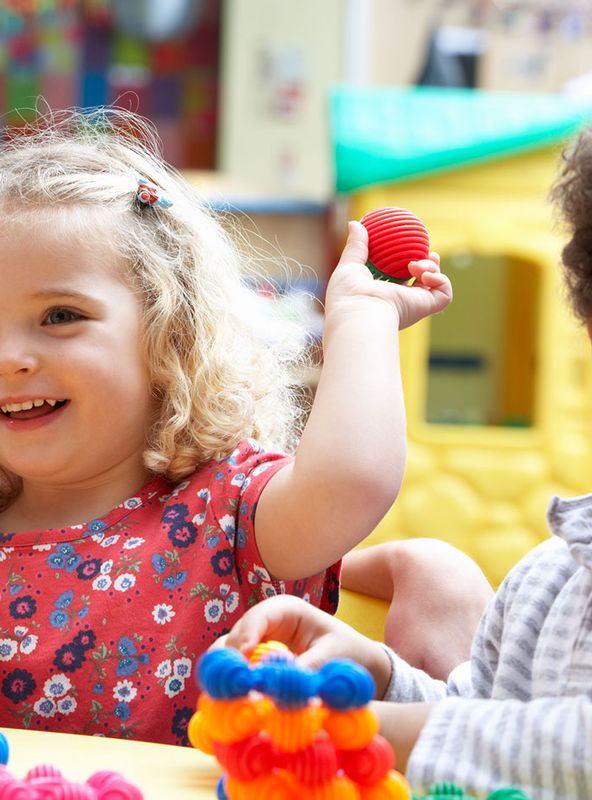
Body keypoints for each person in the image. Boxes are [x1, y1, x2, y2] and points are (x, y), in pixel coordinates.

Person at [0, 111, 453, 745]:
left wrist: (362, 315)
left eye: (60, 315)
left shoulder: (232, 517)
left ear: (169, 336)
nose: (8, 358)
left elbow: (350, 481)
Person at [218, 129, 592, 800]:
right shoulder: (552, 576)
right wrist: (379, 675)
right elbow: (487, 727)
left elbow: (573, 749)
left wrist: (373, 726)